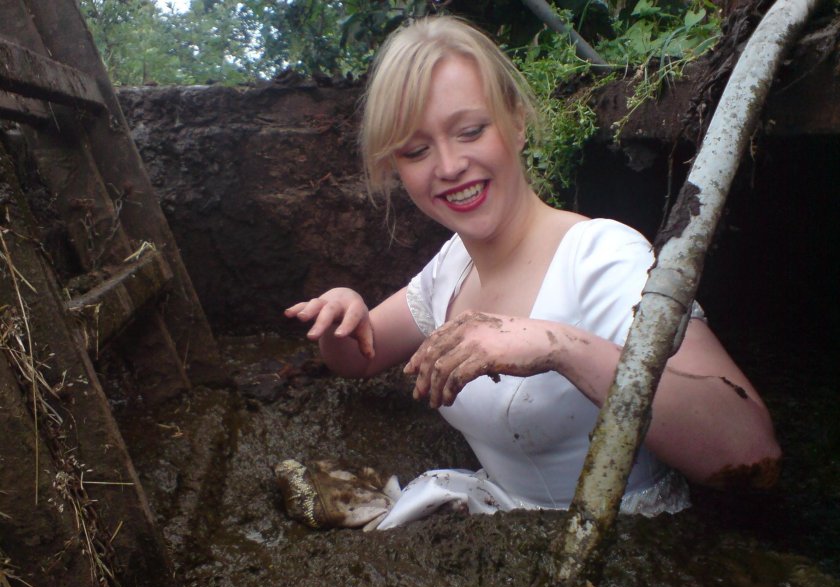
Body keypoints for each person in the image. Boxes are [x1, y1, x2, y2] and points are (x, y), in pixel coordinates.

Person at [285, 16, 781, 529]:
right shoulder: (451, 267)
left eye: (471, 131)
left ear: (517, 123)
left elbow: (751, 452)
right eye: (416, 150)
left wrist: (558, 347)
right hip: (498, 530)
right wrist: (343, 315)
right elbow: (361, 357)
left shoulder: (603, 258)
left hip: (625, 545)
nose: (449, 166)